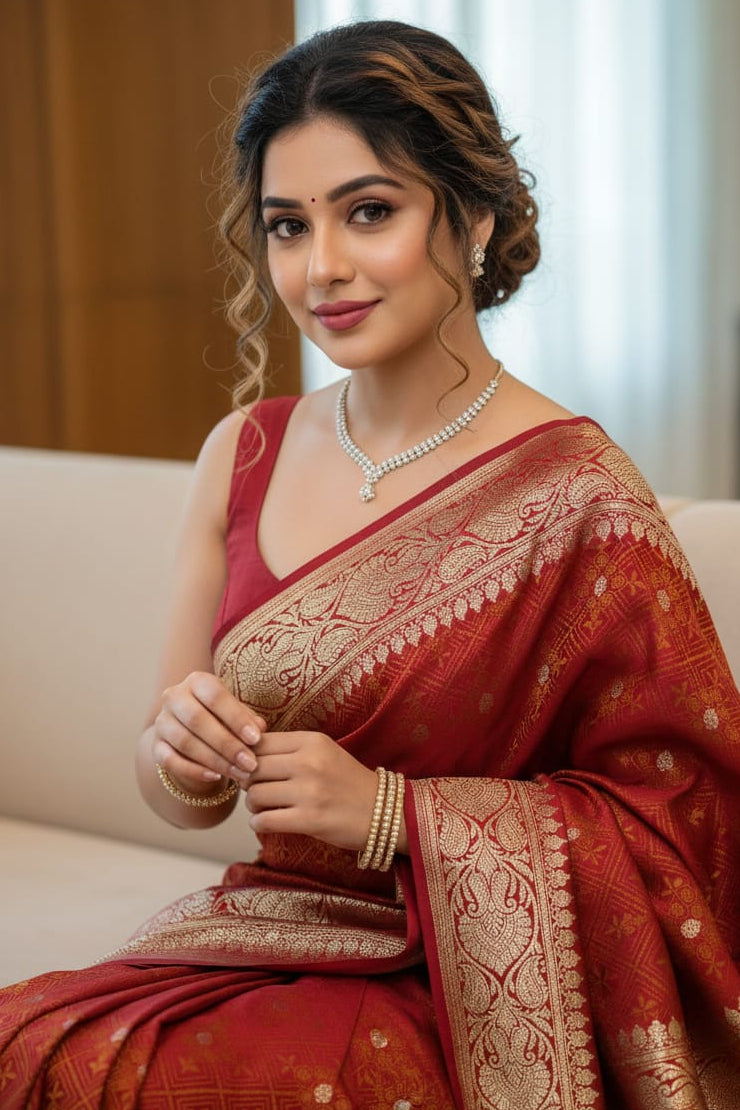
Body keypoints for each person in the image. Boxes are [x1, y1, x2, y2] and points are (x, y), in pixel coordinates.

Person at [1, 18, 738, 1109]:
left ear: (474, 216)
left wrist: (397, 815)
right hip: (254, 931)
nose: (323, 267)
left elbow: (684, 820)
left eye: (370, 212)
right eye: (287, 226)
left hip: (453, 979)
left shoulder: (578, 494)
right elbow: (181, 798)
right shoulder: (241, 451)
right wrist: (180, 750)